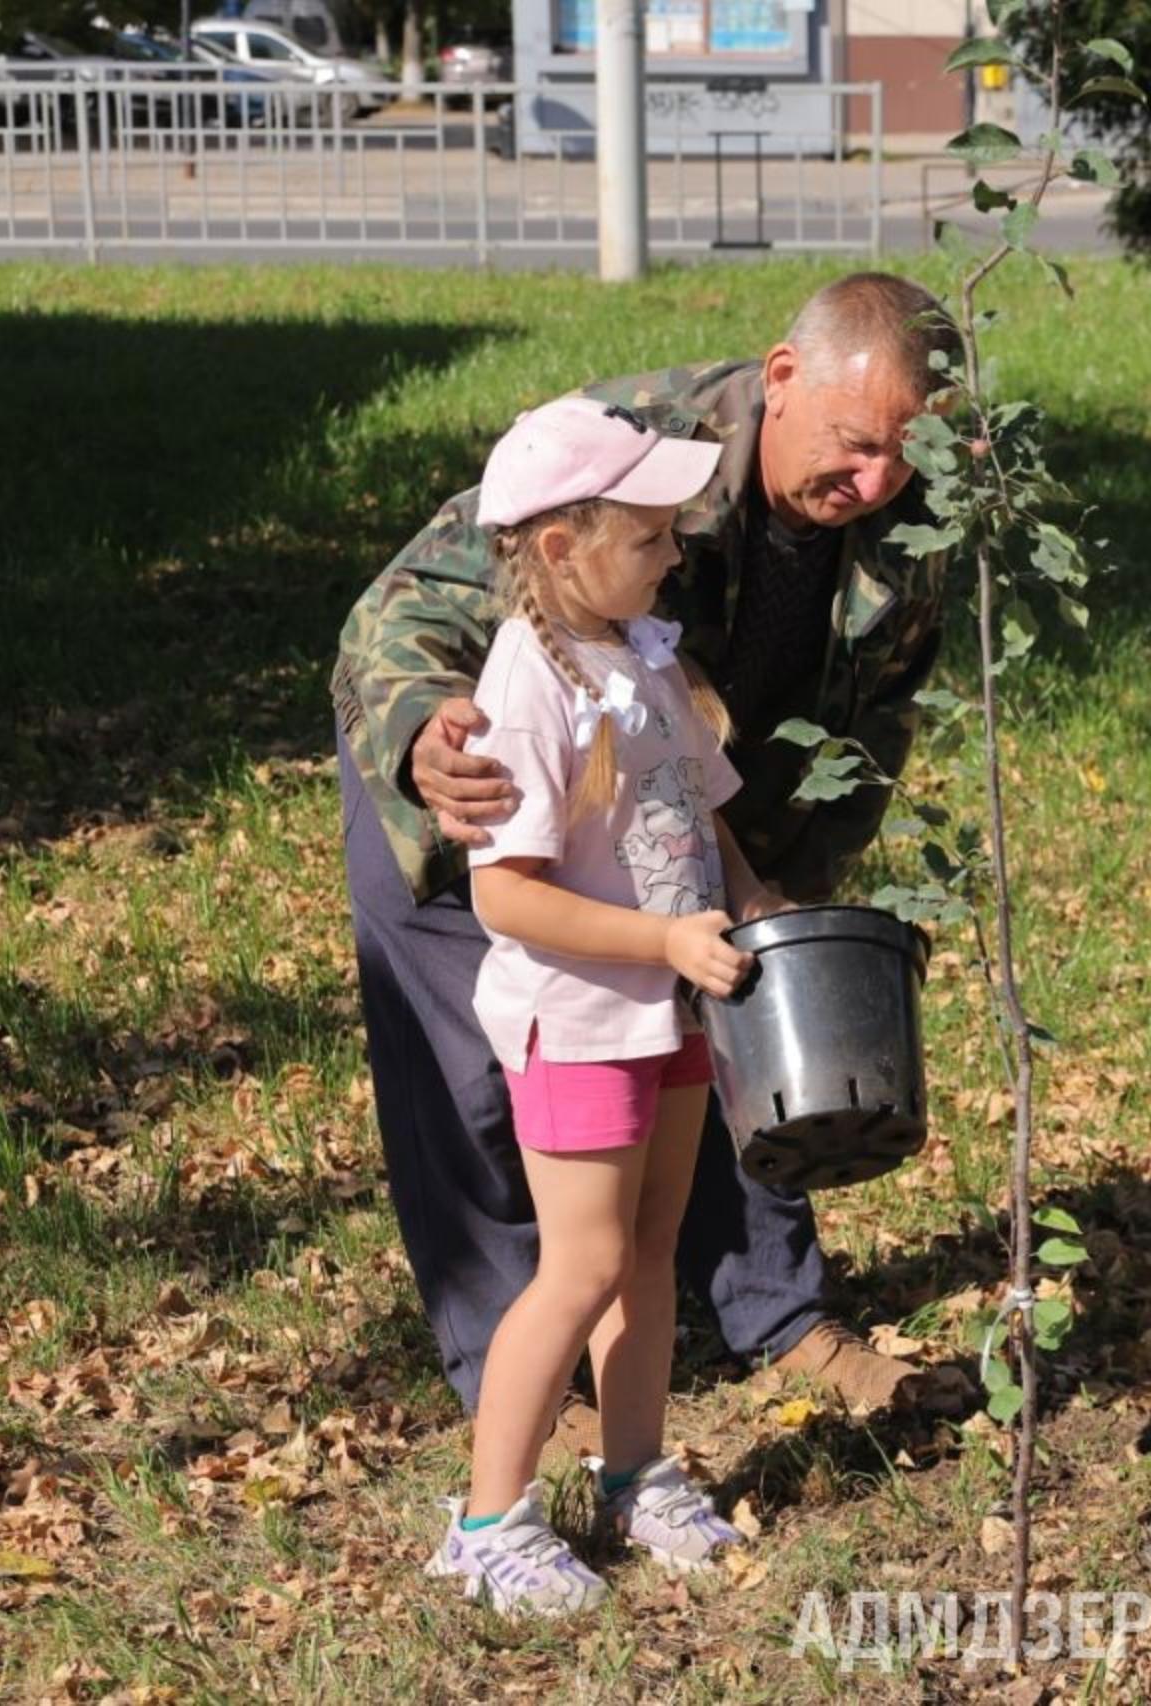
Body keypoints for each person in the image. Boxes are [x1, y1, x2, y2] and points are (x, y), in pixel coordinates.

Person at [333, 273, 957, 1422]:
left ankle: (777, 1310)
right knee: (482, 1074)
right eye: (857, 443)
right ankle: (518, 1367)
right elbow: (406, 603)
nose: (878, 483)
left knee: (734, 1021)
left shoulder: (908, 518)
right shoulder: (631, 458)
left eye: (906, 456)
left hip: (678, 792)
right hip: (481, 771)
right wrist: (425, 729)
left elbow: (879, 715)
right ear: (782, 378)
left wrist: (776, 905)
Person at [424, 398, 761, 1613]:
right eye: (653, 533)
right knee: (577, 1264)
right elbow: (509, 894)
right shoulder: (528, 685)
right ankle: (486, 1519)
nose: (676, 553)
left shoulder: (645, 651)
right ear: (562, 547)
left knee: (651, 1247)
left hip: (665, 1012)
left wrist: (752, 904)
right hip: (576, 1021)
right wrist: (661, 937)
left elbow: (699, 810)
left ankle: (633, 1470)